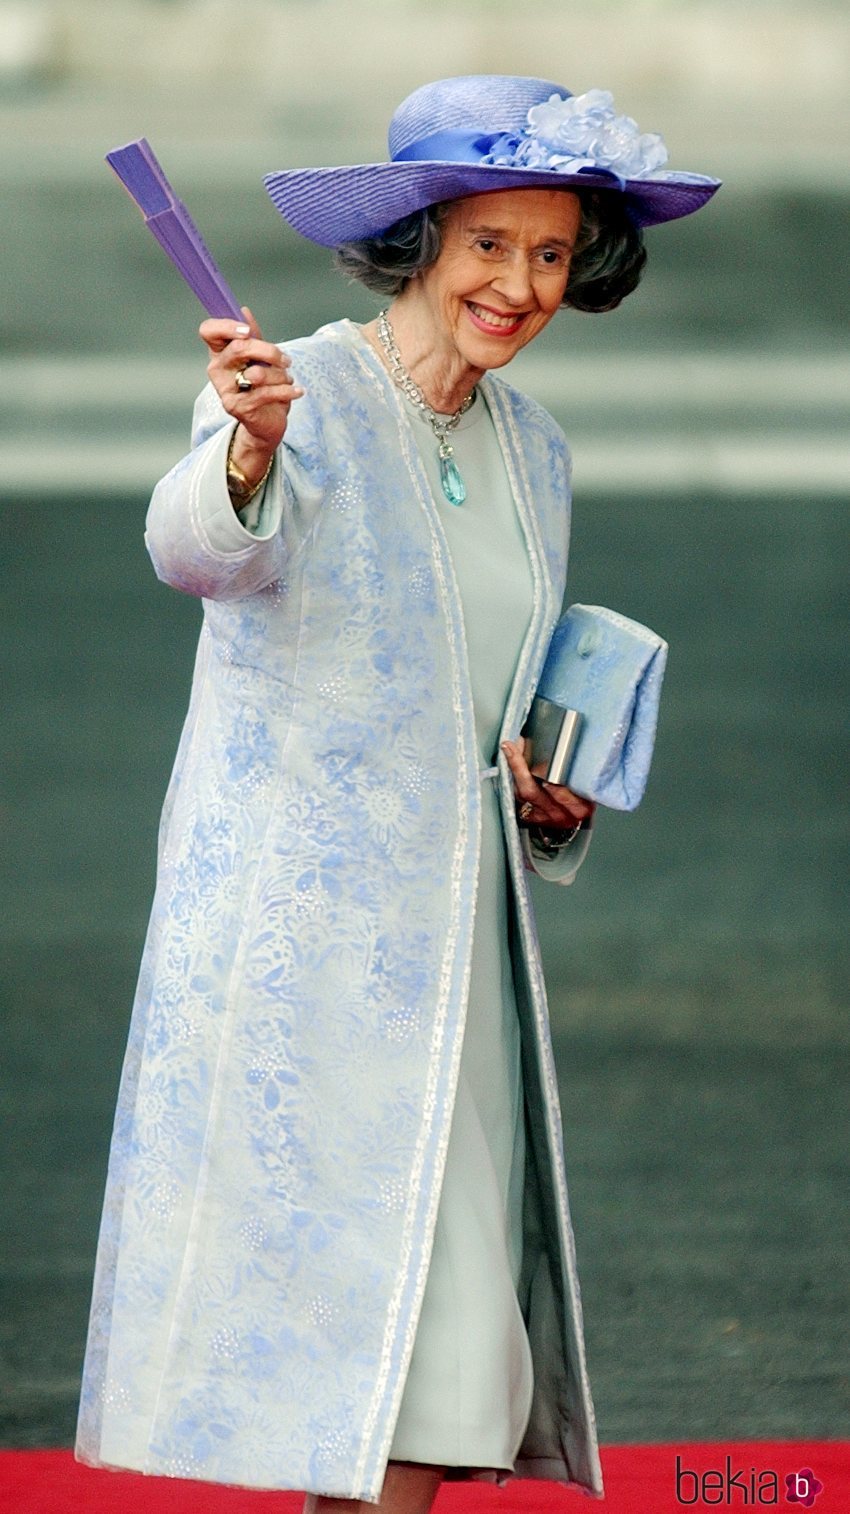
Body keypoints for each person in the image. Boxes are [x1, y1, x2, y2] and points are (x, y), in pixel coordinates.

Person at [75, 74, 719, 1513]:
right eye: (489, 245)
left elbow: (492, 703)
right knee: (372, 1372)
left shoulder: (531, 451)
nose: (520, 284)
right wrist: (243, 445)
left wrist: (552, 802)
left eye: (551, 254)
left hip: (462, 968)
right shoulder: (294, 385)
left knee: (439, 1379)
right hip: (309, 969)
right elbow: (198, 549)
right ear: (422, 240)